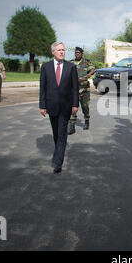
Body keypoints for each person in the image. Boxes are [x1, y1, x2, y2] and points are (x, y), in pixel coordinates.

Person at [39, 41, 79, 174]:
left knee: (62, 134)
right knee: (56, 134)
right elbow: (43, 88)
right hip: (51, 106)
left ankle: (58, 162)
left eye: (63, 50)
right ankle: (58, 152)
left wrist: (75, 104)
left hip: (66, 106)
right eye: (59, 50)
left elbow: (75, 88)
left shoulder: (71, 67)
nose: (62, 52)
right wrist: (42, 106)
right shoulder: (45, 67)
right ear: (53, 52)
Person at [68, 47, 95, 134]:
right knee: (72, 107)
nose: (77, 54)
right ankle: (72, 125)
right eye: (76, 53)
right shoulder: (71, 62)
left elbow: (92, 69)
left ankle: (87, 120)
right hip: (74, 89)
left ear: (82, 54)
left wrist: (89, 74)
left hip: (84, 89)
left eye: (78, 52)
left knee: (85, 107)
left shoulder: (86, 62)